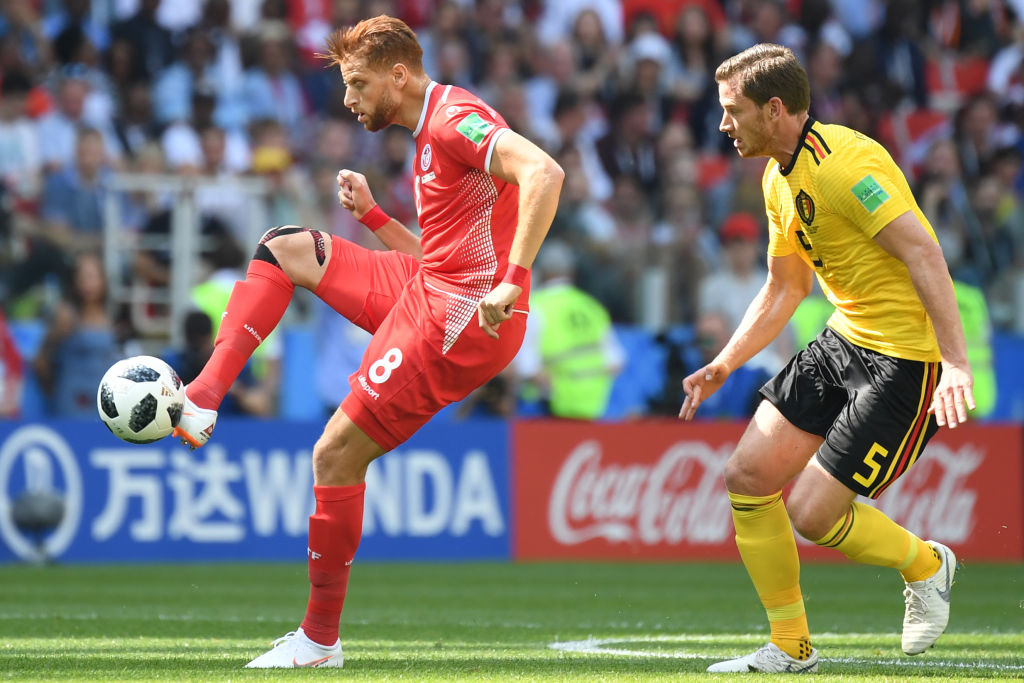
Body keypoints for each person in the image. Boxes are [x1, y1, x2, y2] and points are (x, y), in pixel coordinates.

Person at [170, 15, 563, 668]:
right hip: (436, 287)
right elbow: (445, 256)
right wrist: (377, 218)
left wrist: (512, 283)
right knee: (284, 248)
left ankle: (320, 640)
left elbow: (544, 171)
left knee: (333, 457)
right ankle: (205, 394)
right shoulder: (431, 129)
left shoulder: (451, 119)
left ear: (399, 75)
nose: (349, 101)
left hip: (461, 320)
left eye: (357, 84)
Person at [679, 44, 975, 674]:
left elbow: (925, 253)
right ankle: (791, 647)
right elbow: (787, 286)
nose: (724, 124)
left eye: (734, 110)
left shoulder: (845, 165)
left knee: (812, 514)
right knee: (747, 477)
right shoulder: (775, 176)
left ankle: (928, 566)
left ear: (775, 109)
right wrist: (726, 362)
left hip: (904, 361)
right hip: (843, 341)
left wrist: (956, 362)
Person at [515, 239, 624, 420]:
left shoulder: (535, 306)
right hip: (593, 408)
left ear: (541, 272)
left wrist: (559, 386)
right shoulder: (592, 307)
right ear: (572, 271)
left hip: (548, 409)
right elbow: (615, 362)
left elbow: (526, 365)